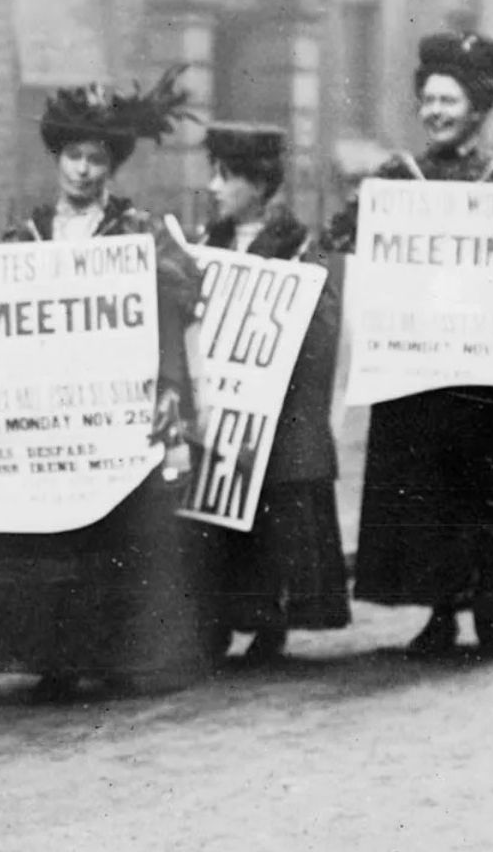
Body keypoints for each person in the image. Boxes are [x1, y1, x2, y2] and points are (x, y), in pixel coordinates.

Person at [321, 30, 493, 659]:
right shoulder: (394, 177)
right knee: (427, 487)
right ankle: (439, 611)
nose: (436, 111)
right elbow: (342, 235)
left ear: (478, 108)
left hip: (484, 370)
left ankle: (490, 614)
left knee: (486, 487)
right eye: (429, 100)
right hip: (415, 366)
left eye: (450, 100)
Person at [0, 69, 213, 698]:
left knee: (115, 529)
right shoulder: (27, 236)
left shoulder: (137, 233)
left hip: (114, 411)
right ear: (57, 158)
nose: (82, 170)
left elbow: (182, 300)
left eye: (96, 158)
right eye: (73, 156)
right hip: (50, 413)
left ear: (112, 165)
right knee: (51, 531)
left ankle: (116, 654)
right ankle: (52, 657)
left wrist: (168, 385)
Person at [197, 122, 349, 663]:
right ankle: (216, 619)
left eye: (227, 177)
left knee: (269, 517)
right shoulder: (208, 241)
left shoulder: (297, 246)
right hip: (221, 404)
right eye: (213, 174)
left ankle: (268, 620)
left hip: (273, 411)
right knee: (212, 513)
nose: (214, 188)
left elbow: (318, 329)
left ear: (259, 186)